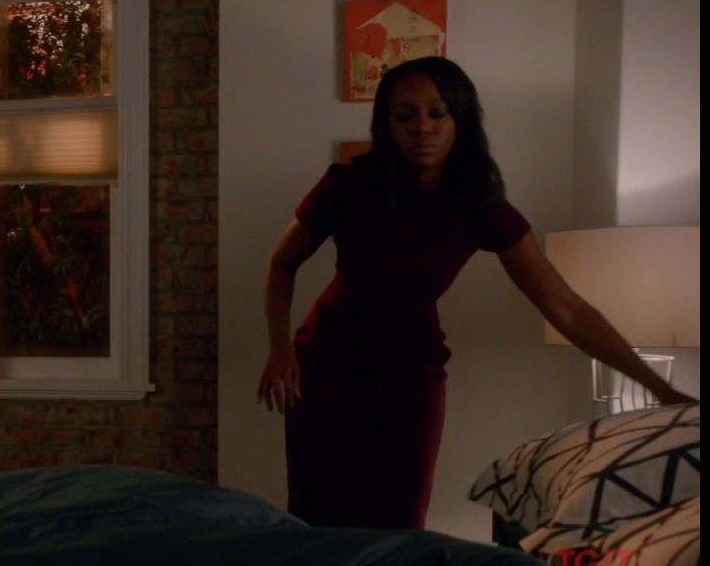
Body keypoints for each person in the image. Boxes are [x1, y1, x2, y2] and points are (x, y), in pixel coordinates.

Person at [256, 56, 695, 530]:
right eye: (404, 116)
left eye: (437, 113)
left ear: (460, 120)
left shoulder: (480, 205)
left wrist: (658, 387)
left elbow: (566, 308)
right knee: (317, 520)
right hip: (327, 368)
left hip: (412, 373)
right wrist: (280, 349)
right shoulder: (347, 186)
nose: (421, 128)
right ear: (386, 125)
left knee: (402, 522)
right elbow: (281, 264)